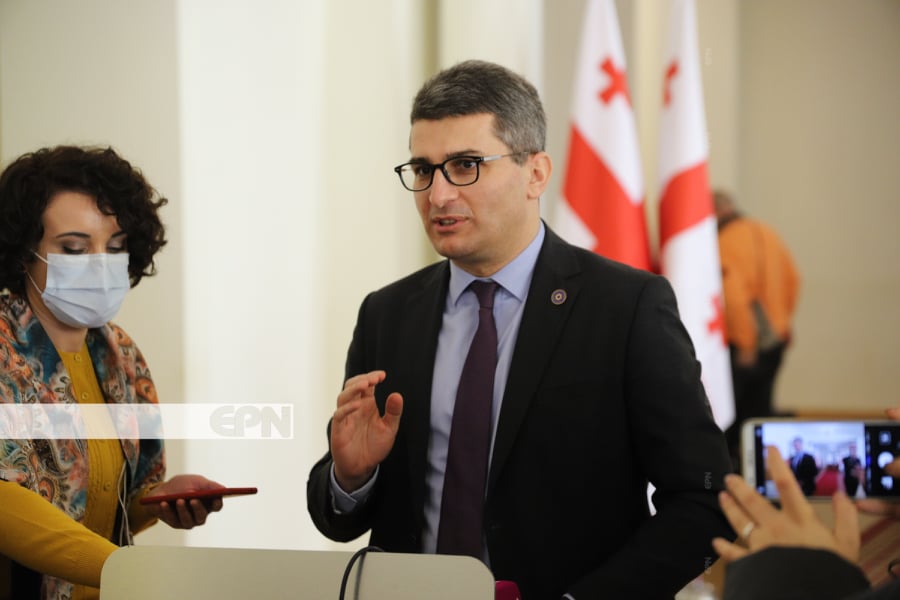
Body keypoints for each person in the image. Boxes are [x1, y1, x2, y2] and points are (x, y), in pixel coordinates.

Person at [307, 60, 734, 599]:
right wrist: (350, 478)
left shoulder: (625, 308)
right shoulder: (387, 314)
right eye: (423, 169)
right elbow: (339, 519)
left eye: (465, 165)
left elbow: (704, 500)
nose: (438, 195)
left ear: (536, 173)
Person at [0, 145, 227, 600]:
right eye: (74, 248)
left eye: (116, 247)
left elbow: (106, 505)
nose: (101, 263)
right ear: (25, 253)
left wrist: (159, 499)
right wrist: (125, 571)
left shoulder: (121, 354)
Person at [712, 407, 900, 600]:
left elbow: (814, 472)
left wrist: (809, 571)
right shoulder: (792, 458)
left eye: (798, 444)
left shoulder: (810, 457)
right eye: (794, 444)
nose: (796, 447)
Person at [714, 190, 800, 467]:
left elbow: (733, 297)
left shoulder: (724, 241)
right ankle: (763, 478)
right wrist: (782, 324)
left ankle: (731, 482)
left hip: (743, 347)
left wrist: (746, 343)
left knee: (730, 421)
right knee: (761, 416)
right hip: (774, 341)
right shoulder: (767, 232)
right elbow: (793, 279)